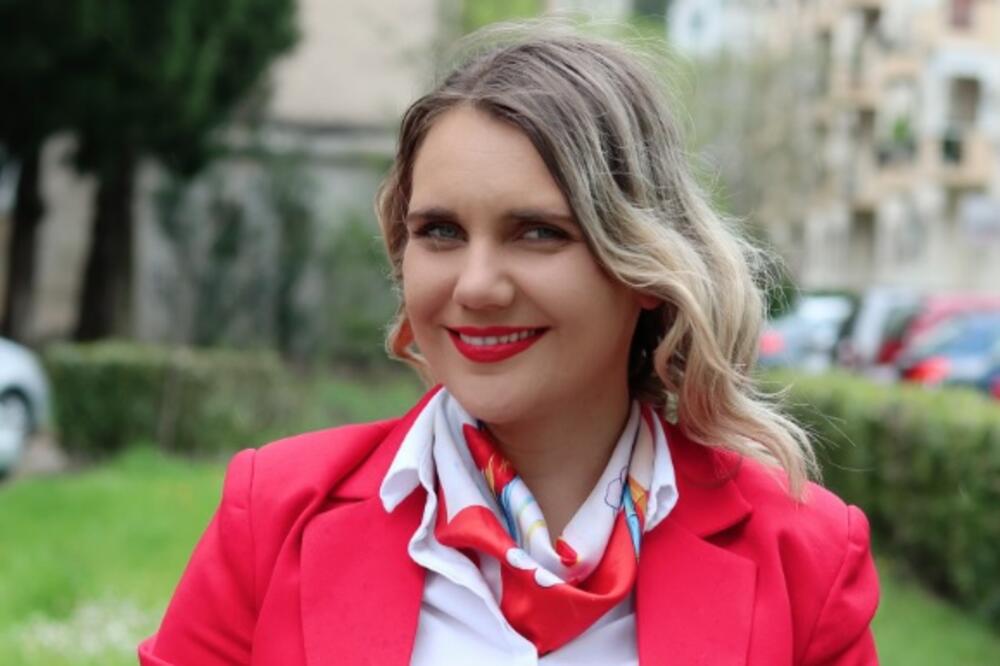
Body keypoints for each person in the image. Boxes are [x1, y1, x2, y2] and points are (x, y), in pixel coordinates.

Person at [139, 23, 879, 666]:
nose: (477, 285)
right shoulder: (273, 516)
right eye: (440, 231)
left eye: (538, 233)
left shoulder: (804, 557)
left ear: (646, 267)